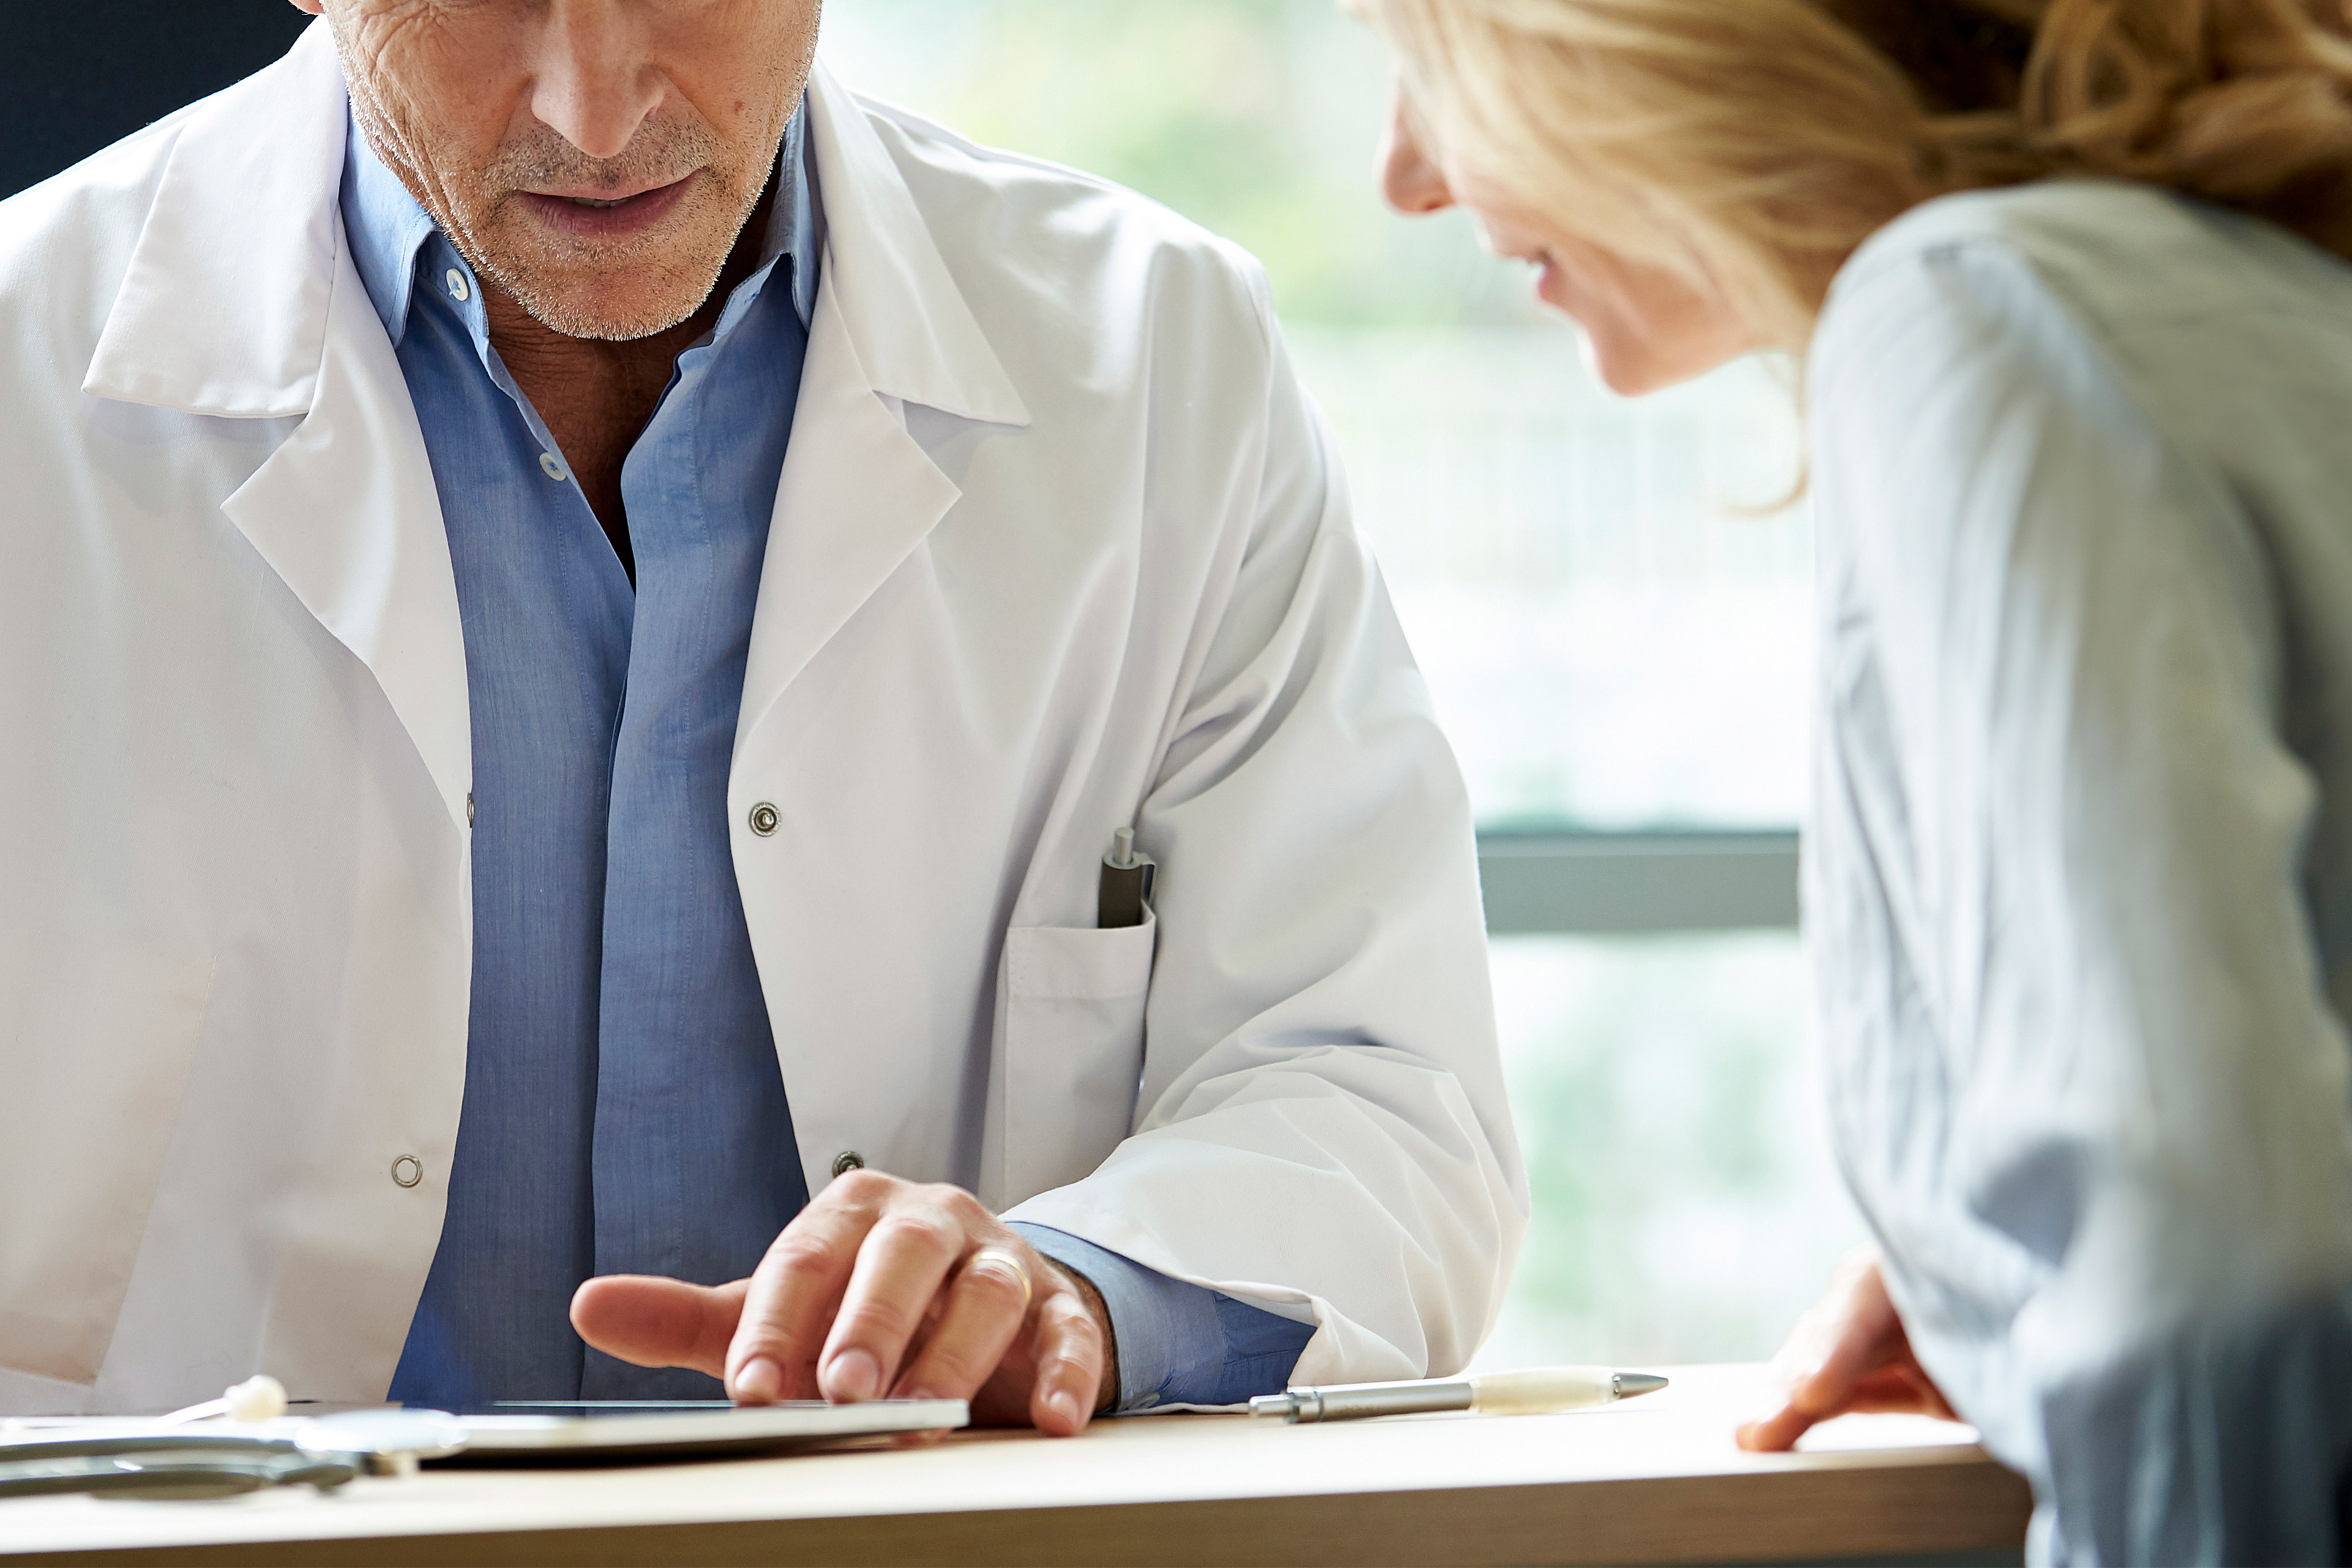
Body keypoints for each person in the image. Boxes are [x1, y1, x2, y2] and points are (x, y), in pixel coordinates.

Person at [0, 1, 1527, 1428]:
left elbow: (1383, 1094)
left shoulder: (1158, 361)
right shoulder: (25, 381)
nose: (597, 116)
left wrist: (1077, 1285)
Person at [1354, 0, 2352, 1559]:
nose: (1405, 175)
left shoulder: (1968, 311)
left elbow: (2220, 1271)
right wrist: (2009, 1264)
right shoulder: (2234, 292)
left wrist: (2116, 1253)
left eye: (1429, 57)